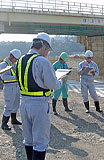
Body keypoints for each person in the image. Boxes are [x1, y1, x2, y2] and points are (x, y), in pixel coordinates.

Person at [16, 32, 64, 160]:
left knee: (28, 139)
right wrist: (61, 81)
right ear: (43, 46)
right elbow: (52, 84)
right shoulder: (42, 61)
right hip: (39, 104)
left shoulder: (20, 60)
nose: (47, 53)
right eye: (48, 50)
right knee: (40, 142)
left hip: (24, 102)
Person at [0, 49, 22, 130]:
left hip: (16, 86)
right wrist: (16, 78)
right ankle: (4, 123)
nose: (16, 60)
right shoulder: (3, 64)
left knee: (16, 103)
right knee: (9, 105)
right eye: (15, 59)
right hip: (9, 87)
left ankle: (14, 119)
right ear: (11, 56)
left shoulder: (14, 64)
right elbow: (4, 77)